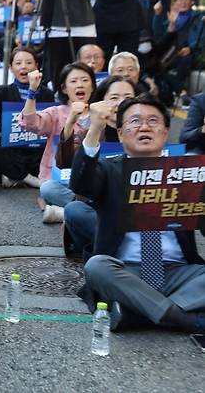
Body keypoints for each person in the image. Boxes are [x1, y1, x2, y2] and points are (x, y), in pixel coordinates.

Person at [71, 93, 205, 334]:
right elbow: (81, 184)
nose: (144, 126)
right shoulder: (109, 170)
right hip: (125, 269)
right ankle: (183, 318)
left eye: (153, 121)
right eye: (134, 121)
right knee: (96, 266)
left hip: (179, 271)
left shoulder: (187, 172)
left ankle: (137, 312)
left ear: (165, 132)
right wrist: (95, 129)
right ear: (121, 134)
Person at [62, 75, 138, 258]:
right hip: (99, 209)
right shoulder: (90, 135)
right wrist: (90, 128)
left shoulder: (147, 135)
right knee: (73, 209)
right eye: (114, 98)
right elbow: (69, 170)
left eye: (128, 98)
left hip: (143, 212)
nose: (121, 103)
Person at [19, 62, 96, 223]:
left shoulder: (101, 114)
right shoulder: (56, 113)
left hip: (91, 179)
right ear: (64, 88)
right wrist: (32, 90)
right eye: (73, 81)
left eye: (85, 80)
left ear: (93, 86)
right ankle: (91, 210)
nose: (80, 85)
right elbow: (29, 122)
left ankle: (64, 212)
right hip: (60, 181)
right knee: (47, 188)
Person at [0, 47, 54, 188]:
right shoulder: (4, 91)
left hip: (36, 152)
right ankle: (27, 178)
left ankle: (14, 176)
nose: (24, 67)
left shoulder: (47, 94)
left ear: (36, 66)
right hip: (10, 151)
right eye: (18, 63)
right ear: (11, 68)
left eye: (28, 62)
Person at [28, 0, 96, 89]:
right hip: (54, 24)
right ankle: (60, 99)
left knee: (84, 69)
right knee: (58, 71)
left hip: (82, 24)